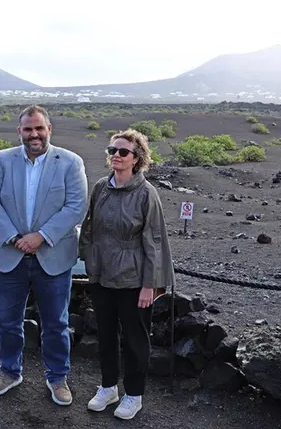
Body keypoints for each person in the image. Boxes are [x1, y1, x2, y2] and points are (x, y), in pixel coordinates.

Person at [0, 105, 88, 406]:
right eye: (28, 129)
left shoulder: (70, 162)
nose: (34, 134)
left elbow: (76, 206)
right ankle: (9, 372)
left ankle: (57, 377)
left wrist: (40, 237)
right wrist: (16, 238)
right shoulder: (1, 161)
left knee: (56, 321)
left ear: (49, 129)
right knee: (7, 320)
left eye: (39, 128)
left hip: (52, 255)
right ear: (19, 132)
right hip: (10, 254)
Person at [78, 129, 175, 420]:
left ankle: (134, 394)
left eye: (123, 152)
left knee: (135, 339)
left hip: (133, 279)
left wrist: (151, 284)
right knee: (106, 335)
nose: (116, 156)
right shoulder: (100, 188)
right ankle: (108, 387)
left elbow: (155, 240)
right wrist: (89, 261)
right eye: (112, 151)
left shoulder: (147, 194)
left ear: (138, 158)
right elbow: (90, 228)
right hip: (103, 275)